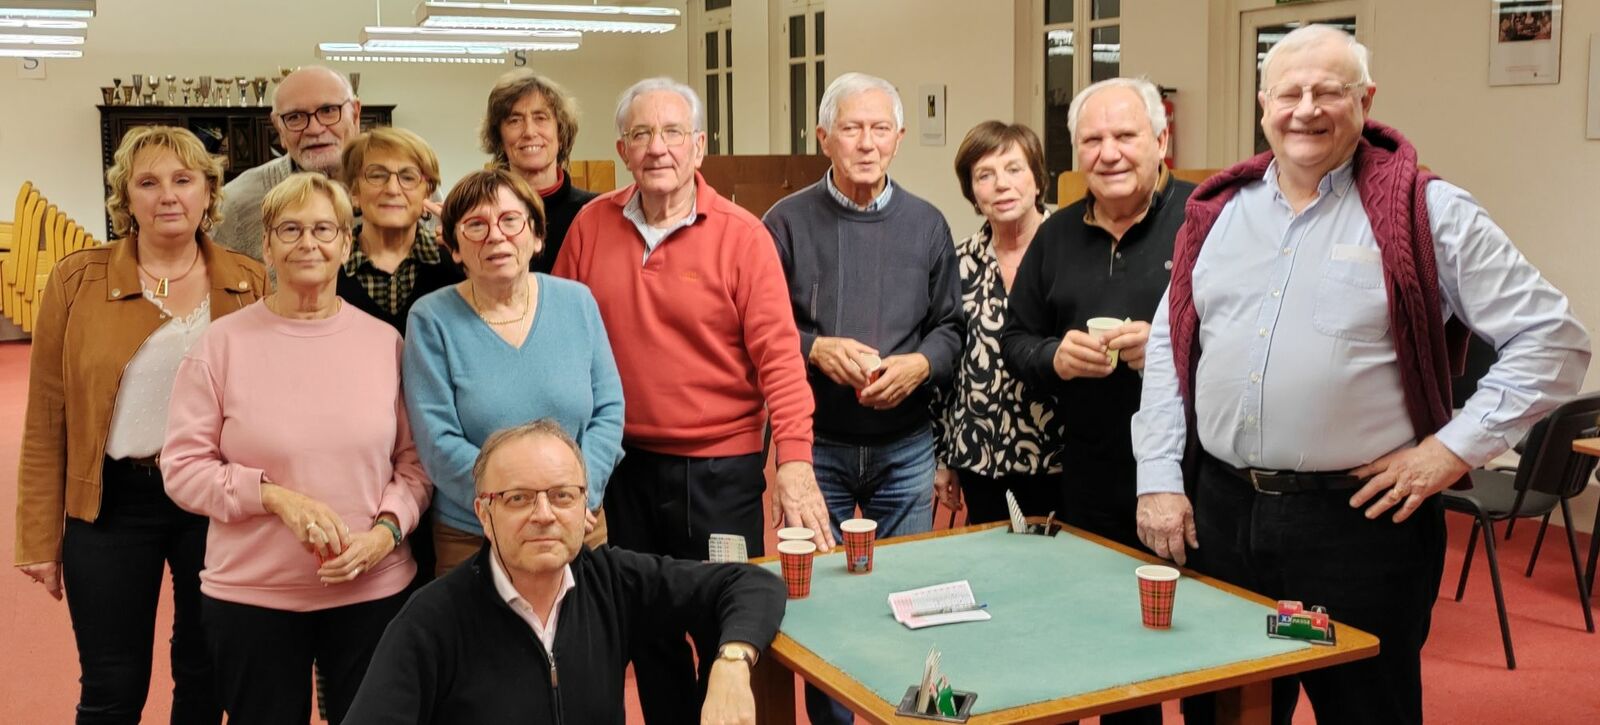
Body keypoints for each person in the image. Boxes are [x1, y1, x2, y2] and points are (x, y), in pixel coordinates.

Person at [1132, 25, 1589, 724]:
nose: (1306, 109)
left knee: (1367, 710)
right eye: (1289, 92)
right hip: (1221, 514)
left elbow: (1554, 340)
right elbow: (1172, 345)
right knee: (1225, 712)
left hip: (1358, 527)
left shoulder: (1427, 211)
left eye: (1329, 91)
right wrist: (1160, 476)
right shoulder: (1216, 214)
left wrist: (1450, 451)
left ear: (1366, 100)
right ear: (1263, 104)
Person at [552, 76, 831, 725]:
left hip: (719, 473)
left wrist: (794, 460)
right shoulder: (591, 227)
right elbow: (561, 344)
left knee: (724, 622)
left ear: (699, 146)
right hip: (623, 466)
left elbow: (781, 359)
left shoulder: (742, 236)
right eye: (642, 134)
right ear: (622, 149)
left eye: (673, 132)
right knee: (646, 630)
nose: (658, 147)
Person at [13, 125, 262, 725]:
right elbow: (48, 413)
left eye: (184, 180)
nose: (168, 195)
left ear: (209, 192)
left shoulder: (248, 281)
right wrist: (38, 537)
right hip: (112, 503)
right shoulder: (78, 280)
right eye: (148, 182)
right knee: (112, 684)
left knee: (205, 673)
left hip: (214, 502)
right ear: (125, 197)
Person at [161, 173, 431, 724]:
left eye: (324, 229)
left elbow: (414, 465)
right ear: (267, 246)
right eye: (290, 229)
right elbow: (183, 469)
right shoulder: (221, 345)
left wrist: (385, 534)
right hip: (253, 595)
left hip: (373, 588)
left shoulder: (385, 342)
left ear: (346, 245)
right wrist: (274, 497)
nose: (308, 243)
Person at [345, 419, 785, 724]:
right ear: (484, 513)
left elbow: (752, 583)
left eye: (562, 496)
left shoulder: (611, 580)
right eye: (518, 498)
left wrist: (732, 662)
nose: (544, 515)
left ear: (584, 506)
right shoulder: (431, 620)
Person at [764, 71, 961, 725]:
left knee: (902, 598)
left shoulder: (927, 224)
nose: (867, 142)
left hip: (905, 447)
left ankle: (900, 715)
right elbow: (757, 327)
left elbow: (951, 327)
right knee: (820, 601)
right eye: (851, 128)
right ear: (824, 137)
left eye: (880, 129)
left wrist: (922, 364)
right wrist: (814, 347)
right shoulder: (785, 223)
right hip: (814, 446)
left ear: (899, 138)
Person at [1000, 77, 1194, 555]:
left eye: (1125, 136)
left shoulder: (1206, 219)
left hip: (1189, 479)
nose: (1109, 154)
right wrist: (1055, 358)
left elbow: (1252, 344)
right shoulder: (1056, 235)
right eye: (1092, 140)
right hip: (1086, 477)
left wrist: (1170, 347)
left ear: (1161, 141)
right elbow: (1015, 339)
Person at [405, 168, 624, 574]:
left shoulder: (577, 302)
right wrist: (517, 508)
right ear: (454, 247)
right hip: (475, 533)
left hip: (578, 524)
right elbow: (438, 442)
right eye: (476, 225)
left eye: (510, 220)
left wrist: (575, 497)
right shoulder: (431, 319)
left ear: (536, 236)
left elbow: (608, 412)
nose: (495, 236)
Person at [932, 120, 1060, 525]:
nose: (1001, 184)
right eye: (984, 175)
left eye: (1014, 169)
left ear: (1037, 180)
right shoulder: (958, 264)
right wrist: (943, 458)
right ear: (972, 191)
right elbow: (945, 368)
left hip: (1060, 457)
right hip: (979, 456)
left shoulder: (1070, 252)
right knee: (988, 559)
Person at [215, 67, 360, 259]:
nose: (314, 129)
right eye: (295, 117)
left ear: (355, 115)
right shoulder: (237, 202)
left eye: (328, 111)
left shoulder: (396, 191)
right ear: (279, 128)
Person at [337, 126, 462, 334]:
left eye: (408, 177)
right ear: (354, 191)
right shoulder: (328, 265)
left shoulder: (459, 263)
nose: (392, 189)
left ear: (428, 192)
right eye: (377, 176)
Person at [481, 69, 598, 272]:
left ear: (561, 132)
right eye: (514, 120)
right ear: (499, 138)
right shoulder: (480, 215)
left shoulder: (594, 212)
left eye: (541, 118)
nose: (529, 132)